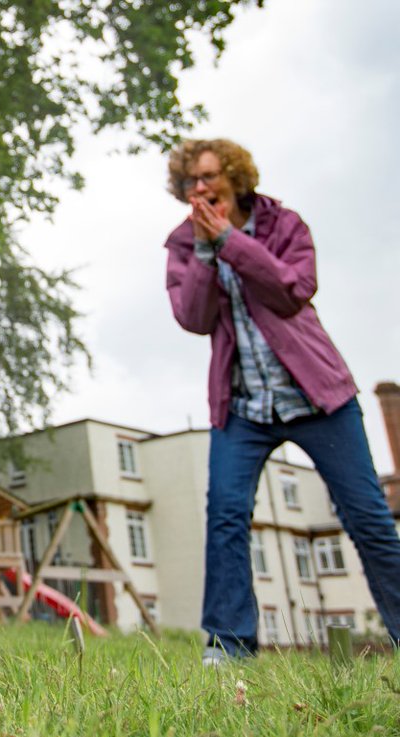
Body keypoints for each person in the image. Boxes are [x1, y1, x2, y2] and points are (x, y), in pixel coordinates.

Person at [163, 138, 400, 664]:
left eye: (207, 177)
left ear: (235, 177)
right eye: (188, 182)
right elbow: (194, 318)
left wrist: (229, 240)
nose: (198, 189)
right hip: (243, 407)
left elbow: (293, 290)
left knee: (368, 518)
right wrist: (206, 250)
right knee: (225, 515)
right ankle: (229, 644)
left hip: (319, 398)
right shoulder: (183, 244)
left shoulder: (282, 225)